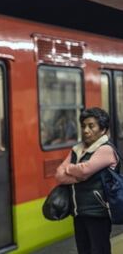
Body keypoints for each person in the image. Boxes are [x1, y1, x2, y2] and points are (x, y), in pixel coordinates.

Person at [55, 107, 119, 254]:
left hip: (98, 213)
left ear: (102, 129)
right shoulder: (77, 149)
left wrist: (70, 169)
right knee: (84, 250)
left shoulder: (106, 150)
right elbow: (59, 175)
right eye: (83, 126)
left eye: (91, 126)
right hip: (79, 212)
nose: (85, 130)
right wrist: (78, 172)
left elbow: (85, 170)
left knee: (99, 250)